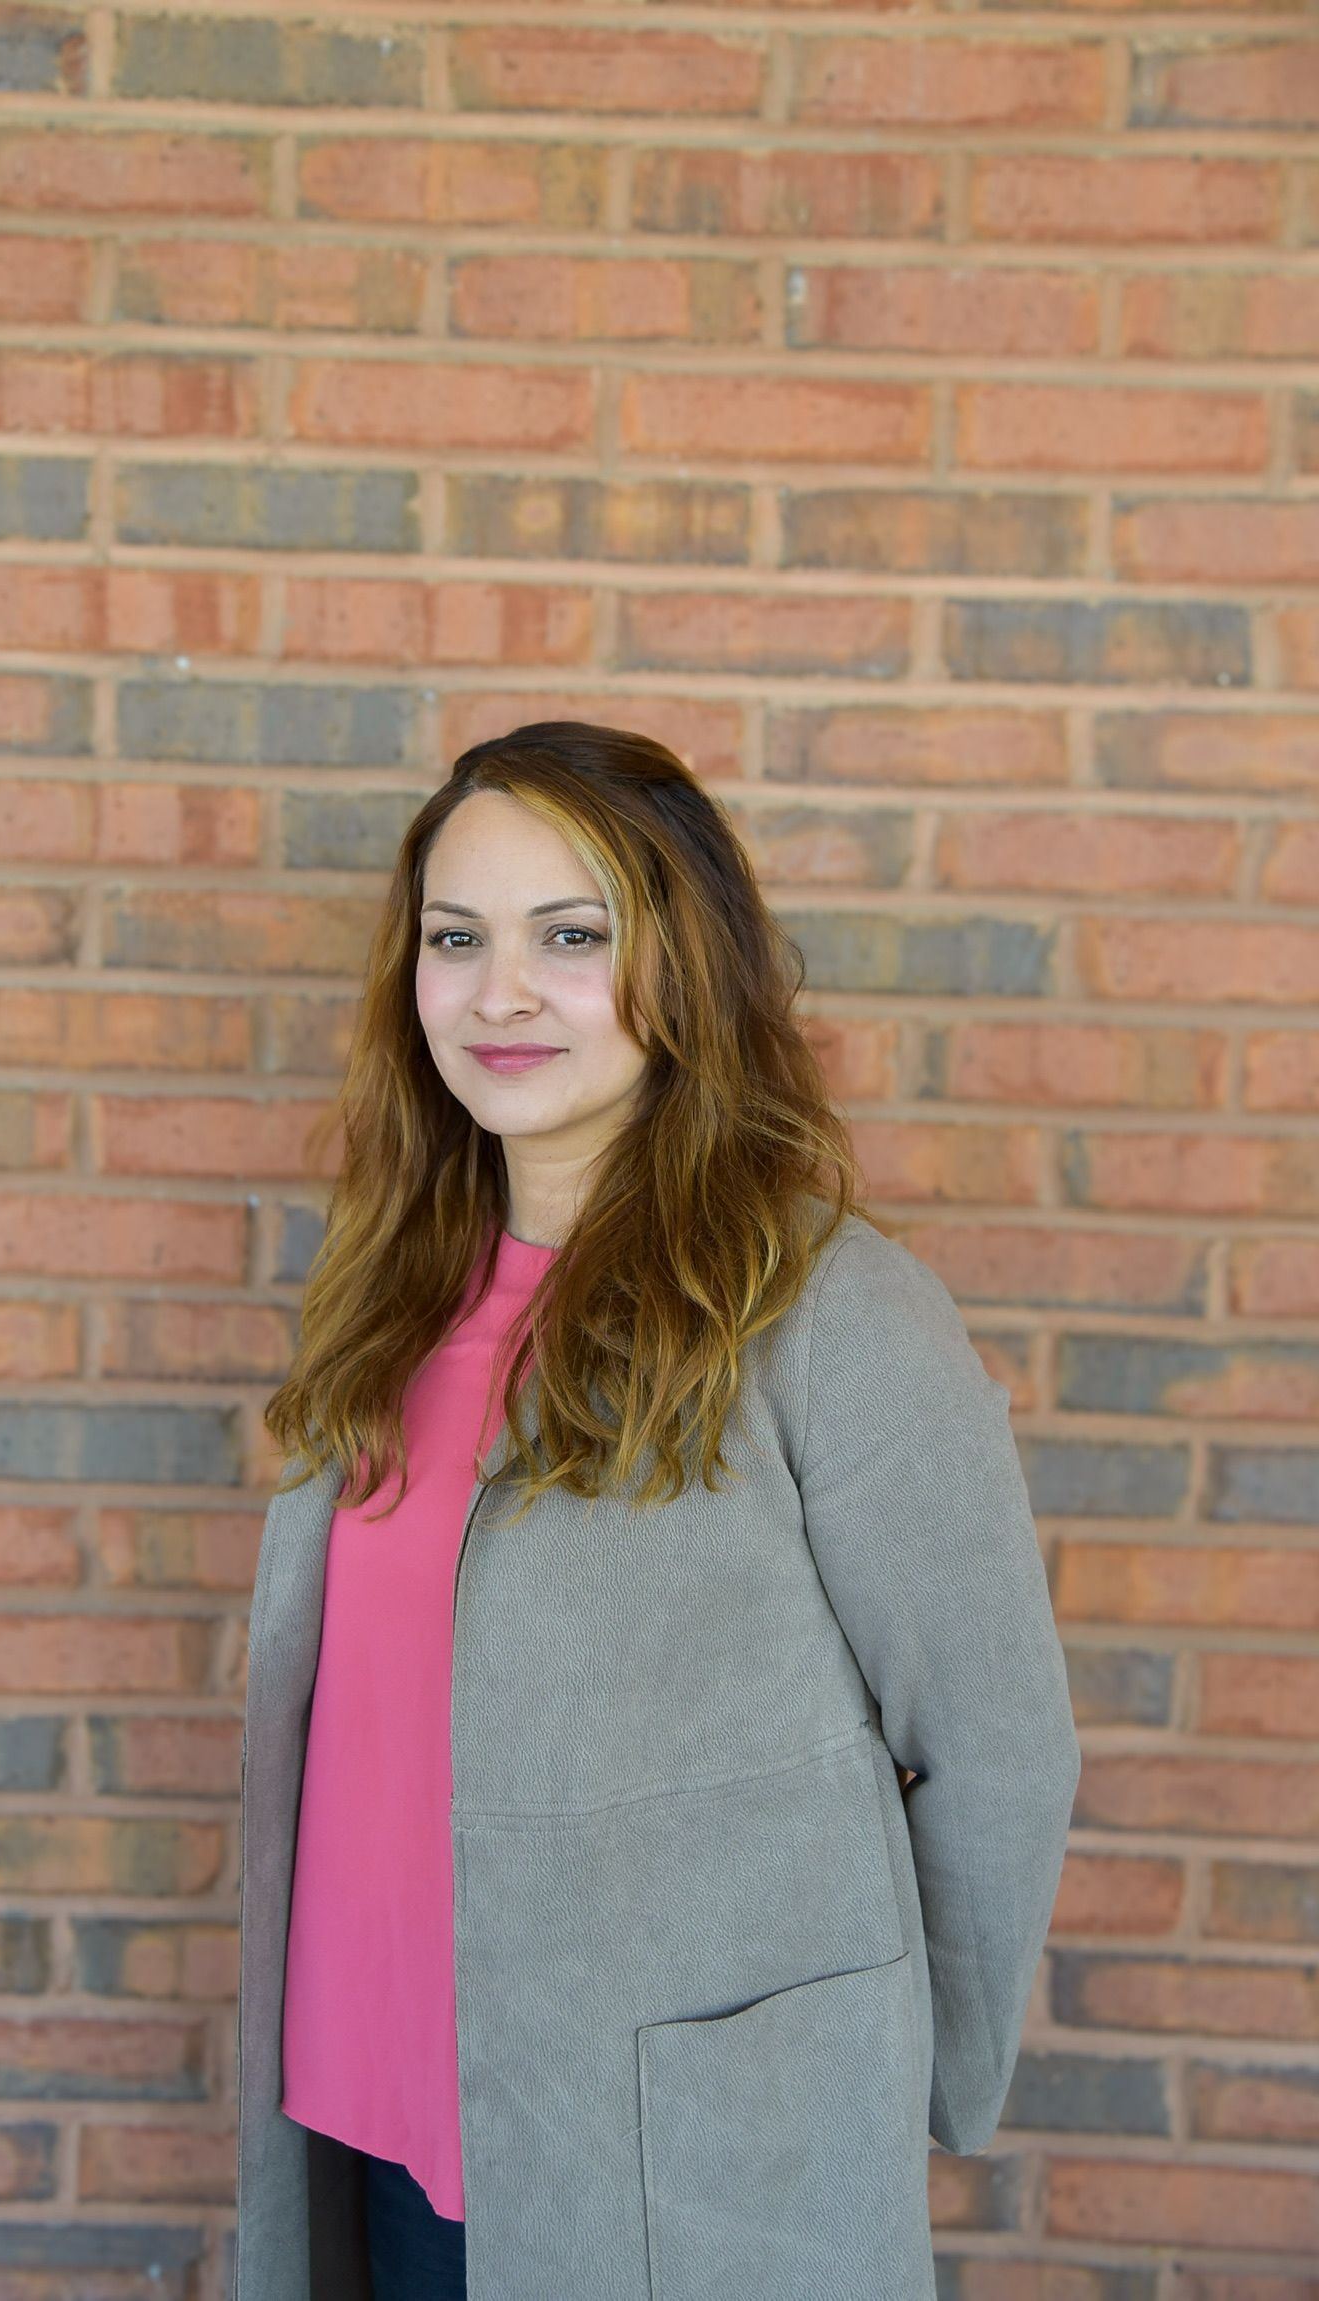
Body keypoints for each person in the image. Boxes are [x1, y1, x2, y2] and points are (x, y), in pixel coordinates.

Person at [234, 720, 1081, 2301]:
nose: (500, 992)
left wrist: (888, 2078)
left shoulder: (833, 1312)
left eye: (573, 936)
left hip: (674, 2157)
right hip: (373, 2113)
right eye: (455, 938)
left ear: (682, 967)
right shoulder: (387, 1301)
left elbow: (1001, 1741)